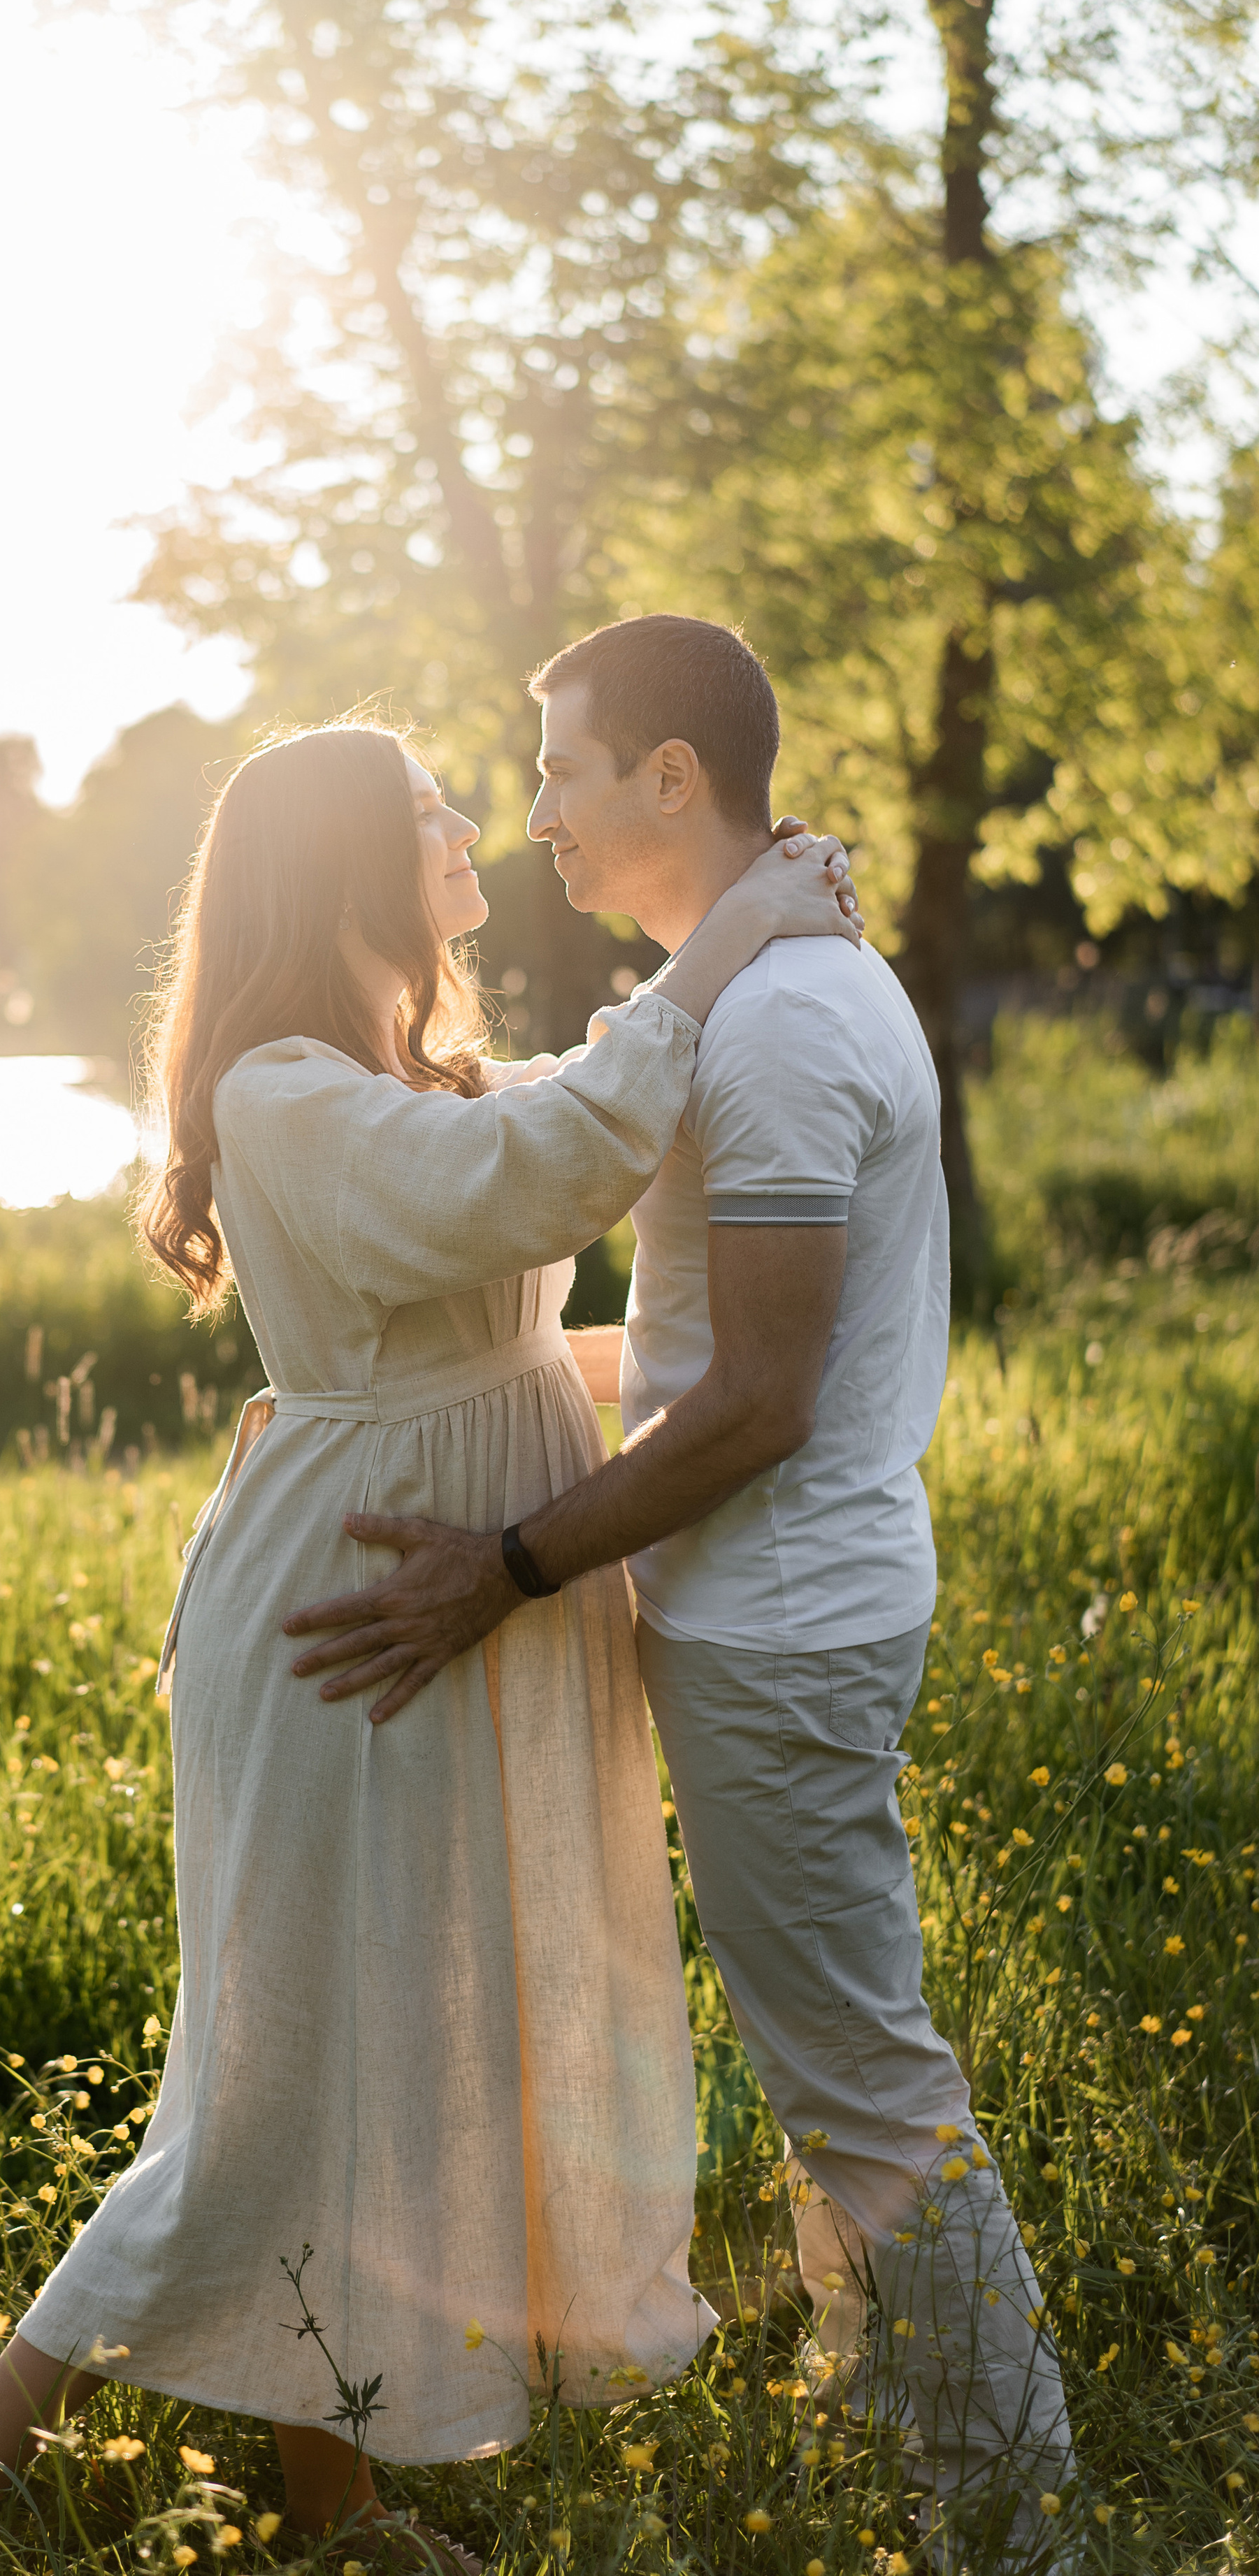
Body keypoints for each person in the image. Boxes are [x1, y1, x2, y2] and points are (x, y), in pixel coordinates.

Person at [0, 715, 859, 2570]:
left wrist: (742, 962)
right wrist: (721, 942)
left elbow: (569, 1154)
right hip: (358, 1604)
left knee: (394, 2045)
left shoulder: (430, 1068)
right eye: (425, 809)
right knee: (274, 2083)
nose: (472, 823)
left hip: (460, 1585)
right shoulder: (285, 1089)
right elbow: (539, 1179)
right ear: (338, 863)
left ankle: (338, 2510)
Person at [284, 617, 1077, 2569]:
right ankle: (902, 2426)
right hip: (762, 1613)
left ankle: (1013, 2504)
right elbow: (688, 1338)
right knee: (832, 2065)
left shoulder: (789, 1024)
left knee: (861, 2071)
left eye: (560, 764)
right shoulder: (733, 994)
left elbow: (767, 1400)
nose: (534, 803)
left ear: (667, 778)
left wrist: (510, 1565)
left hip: (788, 1621)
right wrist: (431, 1410)